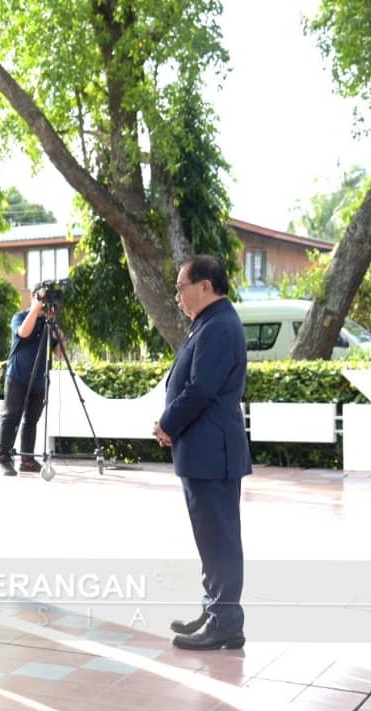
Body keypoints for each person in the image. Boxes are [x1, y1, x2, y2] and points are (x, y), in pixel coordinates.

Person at [153, 255, 252, 651]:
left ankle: (226, 622)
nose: (177, 296)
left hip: (212, 451)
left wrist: (168, 423)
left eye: (181, 287)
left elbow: (200, 389)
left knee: (219, 539)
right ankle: (214, 610)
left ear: (205, 286)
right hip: (203, 449)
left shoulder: (220, 326)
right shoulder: (209, 323)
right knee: (210, 538)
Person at [0, 285, 62, 476]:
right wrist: (36, 308)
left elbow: (59, 353)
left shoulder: (48, 323)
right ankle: (4, 459)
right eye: (42, 298)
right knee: (10, 417)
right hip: (18, 376)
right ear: (33, 297)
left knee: (31, 421)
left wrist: (56, 327)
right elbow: (23, 332)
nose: (45, 302)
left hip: (40, 379)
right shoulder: (20, 317)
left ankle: (27, 460)